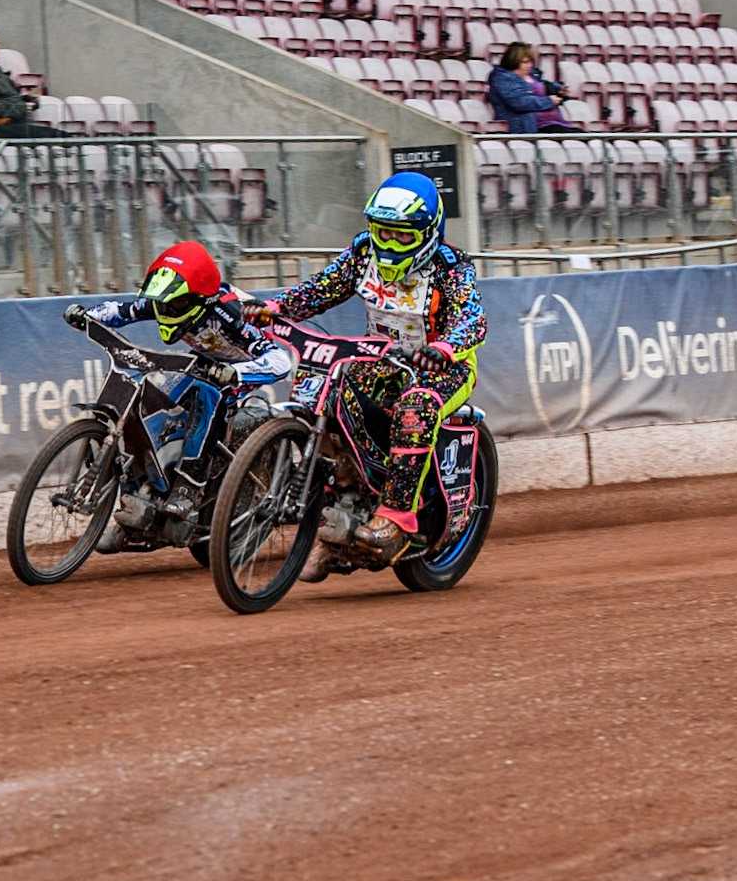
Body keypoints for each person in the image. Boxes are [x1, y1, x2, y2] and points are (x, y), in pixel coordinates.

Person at [248, 172, 486, 581]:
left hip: (442, 366)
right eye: (382, 232)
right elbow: (322, 289)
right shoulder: (363, 253)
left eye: (402, 237)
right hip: (382, 358)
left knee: (415, 409)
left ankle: (398, 518)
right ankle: (336, 509)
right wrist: (276, 307)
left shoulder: (452, 267)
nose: (389, 244)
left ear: (429, 233)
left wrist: (444, 348)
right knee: (325, 391)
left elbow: (472, 319)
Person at [66, 240, 294, 551]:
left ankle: (189, 489)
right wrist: (87, 316)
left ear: (197, 299)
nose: (164, 311)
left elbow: (280, 360)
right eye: (161, 304)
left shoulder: (230, 314)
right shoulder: (167, 301)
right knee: (160, 404)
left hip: (241, 369)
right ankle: (139, 504)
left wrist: (236, 374)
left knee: (208, 394)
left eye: (172, 306)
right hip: (203, 361)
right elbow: (122, 311)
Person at [0, 29, 72, 139]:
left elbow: (6, 99)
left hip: (12, 124)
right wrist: (20, 106)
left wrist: (26, 100)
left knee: (61, 137)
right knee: (60, 137)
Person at [486, 41, 578, 134]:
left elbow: (545, 87)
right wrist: (549, 101)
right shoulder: (502, 78)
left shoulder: (533, 76)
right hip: (531, 127)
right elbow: (519, 102)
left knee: (585, 135)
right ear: (513, 61)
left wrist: (559, 91)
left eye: (530, 62)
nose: (529, 65)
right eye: (525, 62)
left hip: (555, 124)